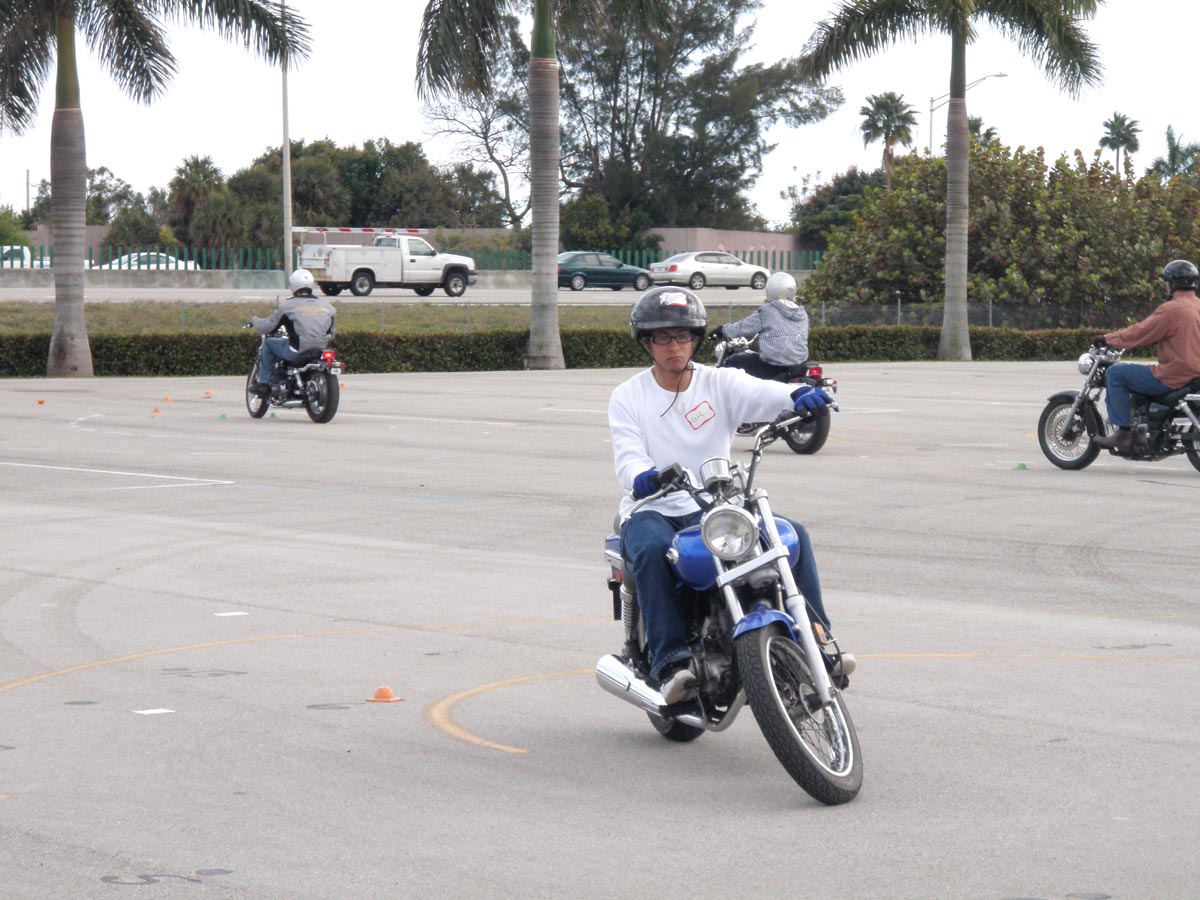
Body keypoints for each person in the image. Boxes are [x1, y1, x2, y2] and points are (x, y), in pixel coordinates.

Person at [608, 285, 854, 704]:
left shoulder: (718, 382)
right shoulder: (628, 396)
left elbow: (763, 393)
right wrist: (642, 477)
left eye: (682, 336)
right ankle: (670, 662)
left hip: (717, 505)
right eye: (663, 338)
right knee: (650, 548)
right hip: (655, 506)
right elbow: (628, 455)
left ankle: (816, 638)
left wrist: (797, 394)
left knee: (792, 535)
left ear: (695, 339)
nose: (674, 346)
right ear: (646, 342)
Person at [1092, 259, 1200, 453]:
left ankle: (1124, 434)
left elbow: (1141, 332)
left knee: (1116, 373)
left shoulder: (1172, 309)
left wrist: (1109, 339)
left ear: (1172, 283)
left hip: (1175, 374)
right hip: (1194, 373)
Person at [248, 269, 337, 395]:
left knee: (269, 343)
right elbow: (331, 334)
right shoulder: (329, 307)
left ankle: (263, 383)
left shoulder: (287, 306)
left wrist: (254, 320)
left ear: (293, 285)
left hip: (297, 351)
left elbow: (268, 327)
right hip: (321, 350)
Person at [709, 271, 809, 379]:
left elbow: (744, 328)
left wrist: (722, 330)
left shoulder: (767, 311)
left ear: (770, 290)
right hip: (799, 366)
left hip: (772, 366)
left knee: (734, 361)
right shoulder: (802, 313)